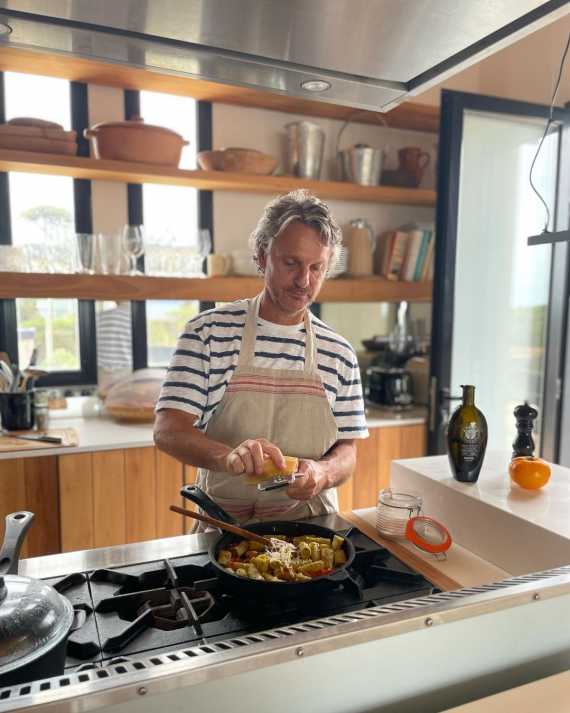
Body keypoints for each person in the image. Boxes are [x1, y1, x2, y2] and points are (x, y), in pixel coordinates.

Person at [154, 189, 368, 524]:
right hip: (225, 531)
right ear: (261, 255)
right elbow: (168, 430)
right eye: (291, 263)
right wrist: (228, 457)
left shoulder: (339, 353)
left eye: (317, 268)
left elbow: (347, 451)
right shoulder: (208, 334)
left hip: (311, 532)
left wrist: (323, 472)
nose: (304, 281)